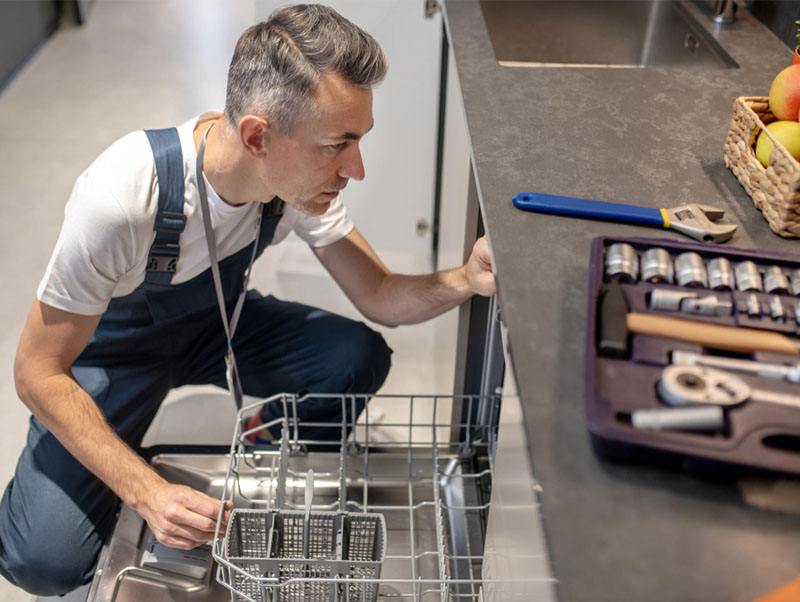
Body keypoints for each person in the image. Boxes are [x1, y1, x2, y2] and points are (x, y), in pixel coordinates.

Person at [0, 4, 495, 596]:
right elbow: (35, 371)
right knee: (42, 559)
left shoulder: (294, 187)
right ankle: (117, 453)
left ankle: (259, 439)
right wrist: (144, 489)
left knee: (354, 357)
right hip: (116, 355)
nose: (355, 169)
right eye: (338, 145)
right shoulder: (123, 196)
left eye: (358, 141)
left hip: (218, 323)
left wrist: (465, 278)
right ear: (258, 135)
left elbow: (381, 295)